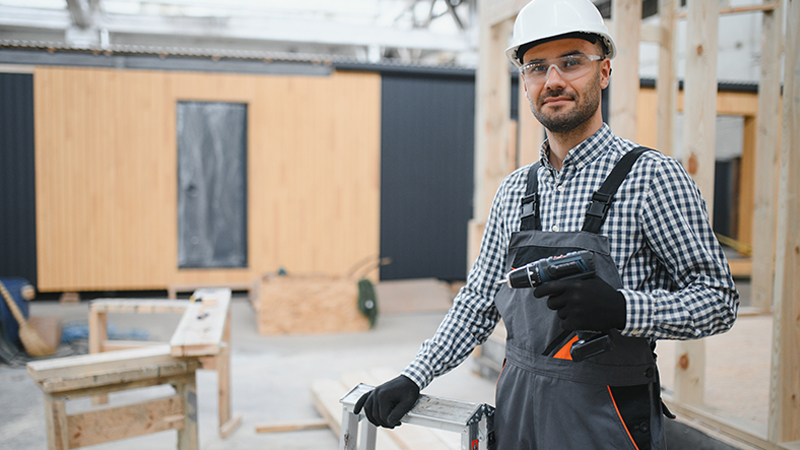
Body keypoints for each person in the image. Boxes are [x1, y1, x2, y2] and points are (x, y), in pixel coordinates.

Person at [355, 0, 739, 448]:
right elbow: (480, 299)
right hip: (519, 408)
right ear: (525, 81)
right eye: (537, 67)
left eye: (571, 62)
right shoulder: (516, 190)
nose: (553, 81)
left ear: (605, 71)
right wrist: (415, 375)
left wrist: (624, 309)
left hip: (607, 417)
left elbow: (718, 299)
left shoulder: (654, 178)